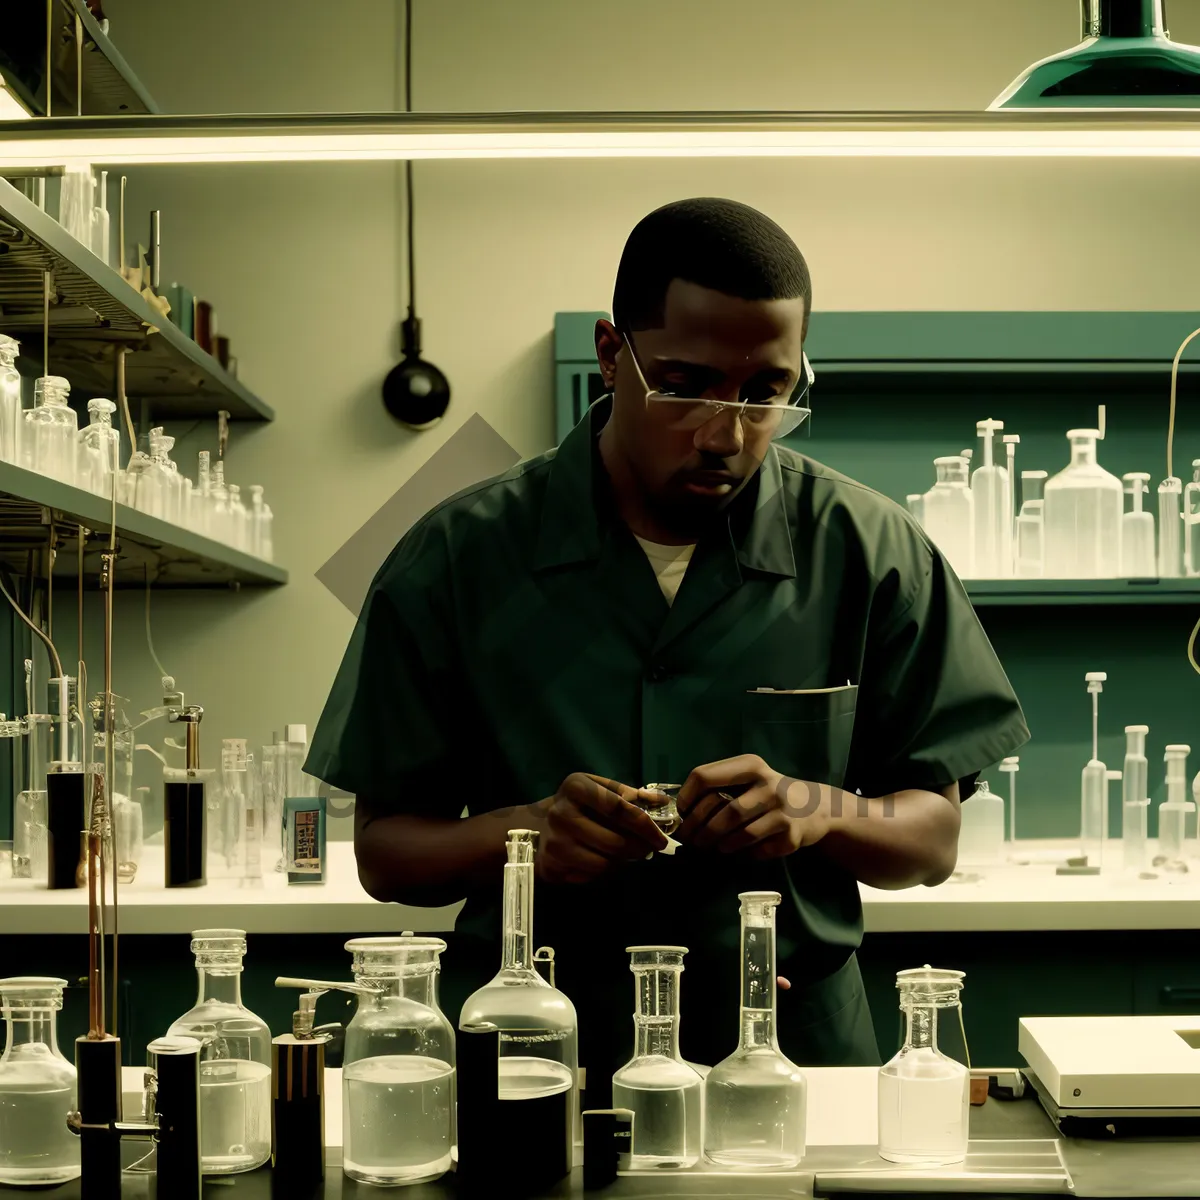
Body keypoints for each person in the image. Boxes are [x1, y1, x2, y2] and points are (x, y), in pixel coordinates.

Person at [306, 197, 1029, 1098]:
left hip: (792, 1056)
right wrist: (523, 835)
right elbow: (386, 855)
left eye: (767, 394)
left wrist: (818, 808)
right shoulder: (457, 556)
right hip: (539, 1058)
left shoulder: (871, 551)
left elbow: (932, 837)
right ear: (615, 356)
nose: (726, 434)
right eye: (685, 385)